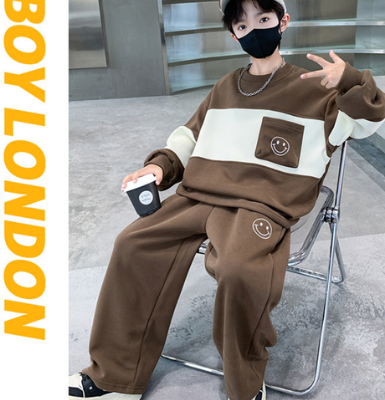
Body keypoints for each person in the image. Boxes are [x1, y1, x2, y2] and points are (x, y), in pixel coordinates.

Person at [69, 1, 385, 399]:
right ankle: (115, 376)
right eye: (242, 25)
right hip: (198, 194)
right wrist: (159, 167)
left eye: (264, 19)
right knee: (133, 244)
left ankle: (244, 386)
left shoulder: (318, 88)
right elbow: (189, 136)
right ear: (234, 35)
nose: (254, 30)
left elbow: (370, 122)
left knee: (239, 269)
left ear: (282, 22)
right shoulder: (225, 86)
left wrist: (351, 82)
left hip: (263, 204)